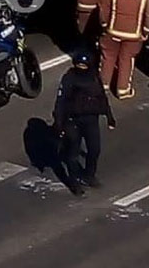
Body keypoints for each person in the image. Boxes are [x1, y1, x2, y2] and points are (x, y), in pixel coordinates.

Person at [53, 50, 116, 196]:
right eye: (79, 65)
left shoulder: (94, 77)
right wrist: (59, 124)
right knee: (73, 153)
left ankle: (89, 175)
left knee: (94, 149)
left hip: (91, 119)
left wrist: (109, 116)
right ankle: (74, 183)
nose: (82, 68)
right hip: (73, 120)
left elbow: (102, 97)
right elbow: (60, 102)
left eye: (84, 65)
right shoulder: (69, 78)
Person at [99, 0, 149, 100]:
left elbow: (103, 10)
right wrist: (146, 32)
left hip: (112, 32)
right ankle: (123, 90)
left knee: (107, 58)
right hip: (133, 36)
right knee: (126, 61)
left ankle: (102, 86)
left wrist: (105, 26)